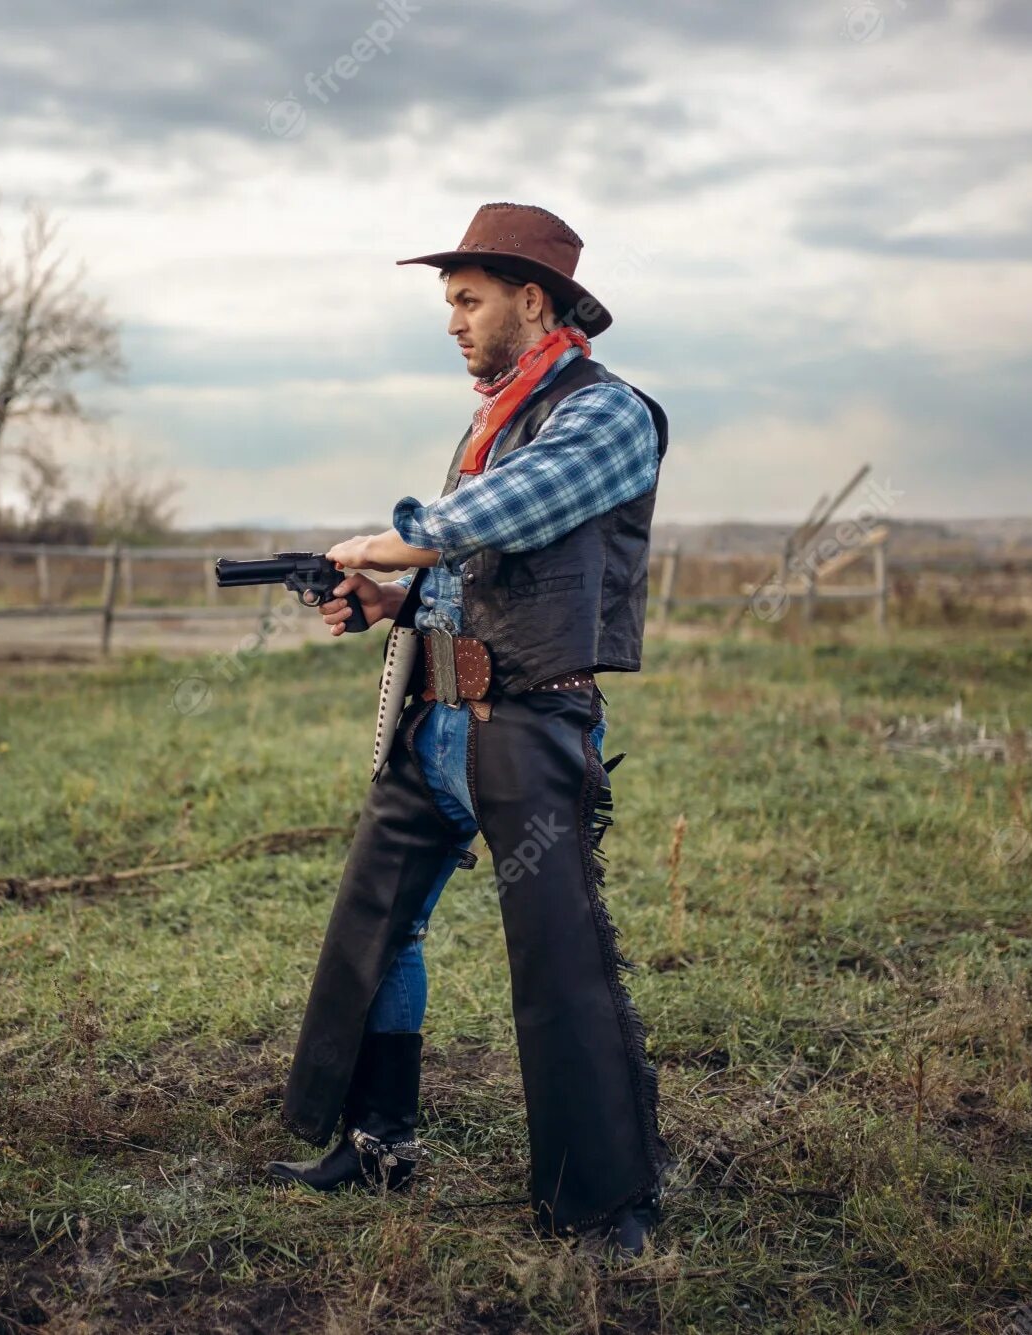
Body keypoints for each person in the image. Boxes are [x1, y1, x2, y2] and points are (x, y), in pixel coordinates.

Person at [265, 202, 674, 1259]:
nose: (451, 321)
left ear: (528, 301)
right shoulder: (490, 423)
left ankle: (603, 1204)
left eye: (467, 299)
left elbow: (513, 516)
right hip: (434, 719)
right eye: (446, 301)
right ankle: (373, 1142)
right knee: (373, 930)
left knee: (556, 957)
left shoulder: (605, 413)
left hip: (531, 722)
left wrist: (391, 540)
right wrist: (393, 600)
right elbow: (473, 577)